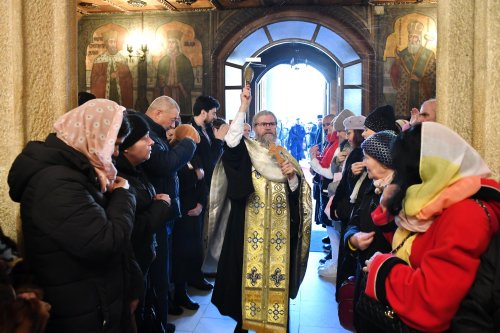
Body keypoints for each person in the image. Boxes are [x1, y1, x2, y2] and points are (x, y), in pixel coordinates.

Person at [7, 99, 139, 332]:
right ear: (93, 135)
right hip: (80, 312)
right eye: (114, 144)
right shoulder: (56, 183)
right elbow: (103, 242)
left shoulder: (81, 171)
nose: (116, 153)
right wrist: (124, 195)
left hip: (93, 304)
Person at [362, 122, 500, 332]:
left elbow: (432, 303)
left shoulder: (465, 214)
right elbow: (416, 247)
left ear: (424, 171)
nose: (398, 178)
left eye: (401, 170)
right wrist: (390, 211)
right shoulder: (440, 199)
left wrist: (382, 268)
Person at [205, 86, 312, 333]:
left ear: (277, 127)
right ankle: (245, 323)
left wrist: (293, 179)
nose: (268, 128)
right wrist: (243, 105)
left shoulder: (284, 154)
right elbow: (230, 142)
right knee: (245, 282)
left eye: (272, 124)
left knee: (276, 284)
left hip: (279, 236)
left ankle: (275, 325)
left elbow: (300, 195)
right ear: (254, 127)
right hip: (247, 232)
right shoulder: (246, 150)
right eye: (262, 124)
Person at [138, 96, 197, 332]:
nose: (173, 125)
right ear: (157, 113)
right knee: (158, 276)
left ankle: (160, 321)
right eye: (172, 120)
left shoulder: (154, 132)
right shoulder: (146, 132)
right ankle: (158, 324)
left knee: (163, 274)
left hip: (164, 212)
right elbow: (164, 164)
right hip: (155, 213)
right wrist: (188, 142)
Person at [115, 113, 174, 330]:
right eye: (144, 138)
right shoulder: (119, 177)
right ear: (127, 146)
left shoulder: (135, 170)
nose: (151, 142)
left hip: (142, 260)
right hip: (132, 265)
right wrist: (161, 205)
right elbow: (134, 226)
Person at [343, 131, 397, 333]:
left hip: (387, 281)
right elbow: (354, 221)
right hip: (365, 275)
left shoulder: (401, 192)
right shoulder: (371, 186)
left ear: (383, 159)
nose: (364, 163)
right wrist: (353, 239)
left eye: (367, 158)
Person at [390, 20, 436, 116]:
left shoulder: (428, 54)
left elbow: (433, 73)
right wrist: (397, 62)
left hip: (422, 91)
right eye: (410, 37)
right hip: (405, 91)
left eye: (414, 37)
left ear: (419, 39)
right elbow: (396, 73)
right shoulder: (403, 54)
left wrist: (421, 78)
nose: (412, 39)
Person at [91, 30, 133, 108]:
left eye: (114, 42)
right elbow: (94, 80)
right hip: (105, 95)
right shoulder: (99, 60)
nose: (113, 44)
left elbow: (128, 79)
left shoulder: (122, 59)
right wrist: (109, 77)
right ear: (107, 43)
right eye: (111, 42)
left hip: (118, 95)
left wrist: (120, 76)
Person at [155, 30, 194, 114]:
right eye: (169, 42)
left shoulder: (184, 60)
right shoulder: (163, 60)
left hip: (180, 92)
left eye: (173, 42)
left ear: (177, 44)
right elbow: (159, 79)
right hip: (167, 91)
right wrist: (162, 81)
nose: (170, 45)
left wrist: (180, 84)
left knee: (180, 113)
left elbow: (190, 78)